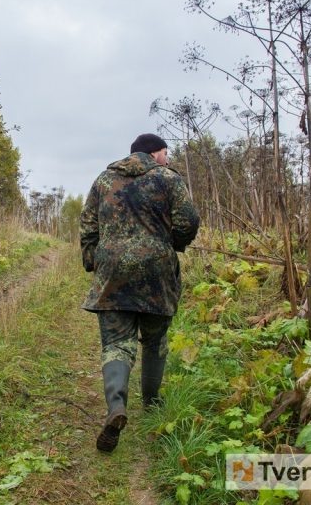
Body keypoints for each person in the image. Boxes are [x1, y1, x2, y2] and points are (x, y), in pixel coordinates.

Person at [80, 133, 199, 453]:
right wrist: (171, 243)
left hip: (112, 274)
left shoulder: (104, 180)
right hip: (156, 273)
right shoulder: (168, 179)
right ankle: (152, 406)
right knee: (155, 340)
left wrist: (92, 260)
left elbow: (88, 224)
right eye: (165, 153)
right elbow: (189, 221)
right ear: (154, 154)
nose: (167, 159)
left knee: (117, 345)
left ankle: (116, 407)